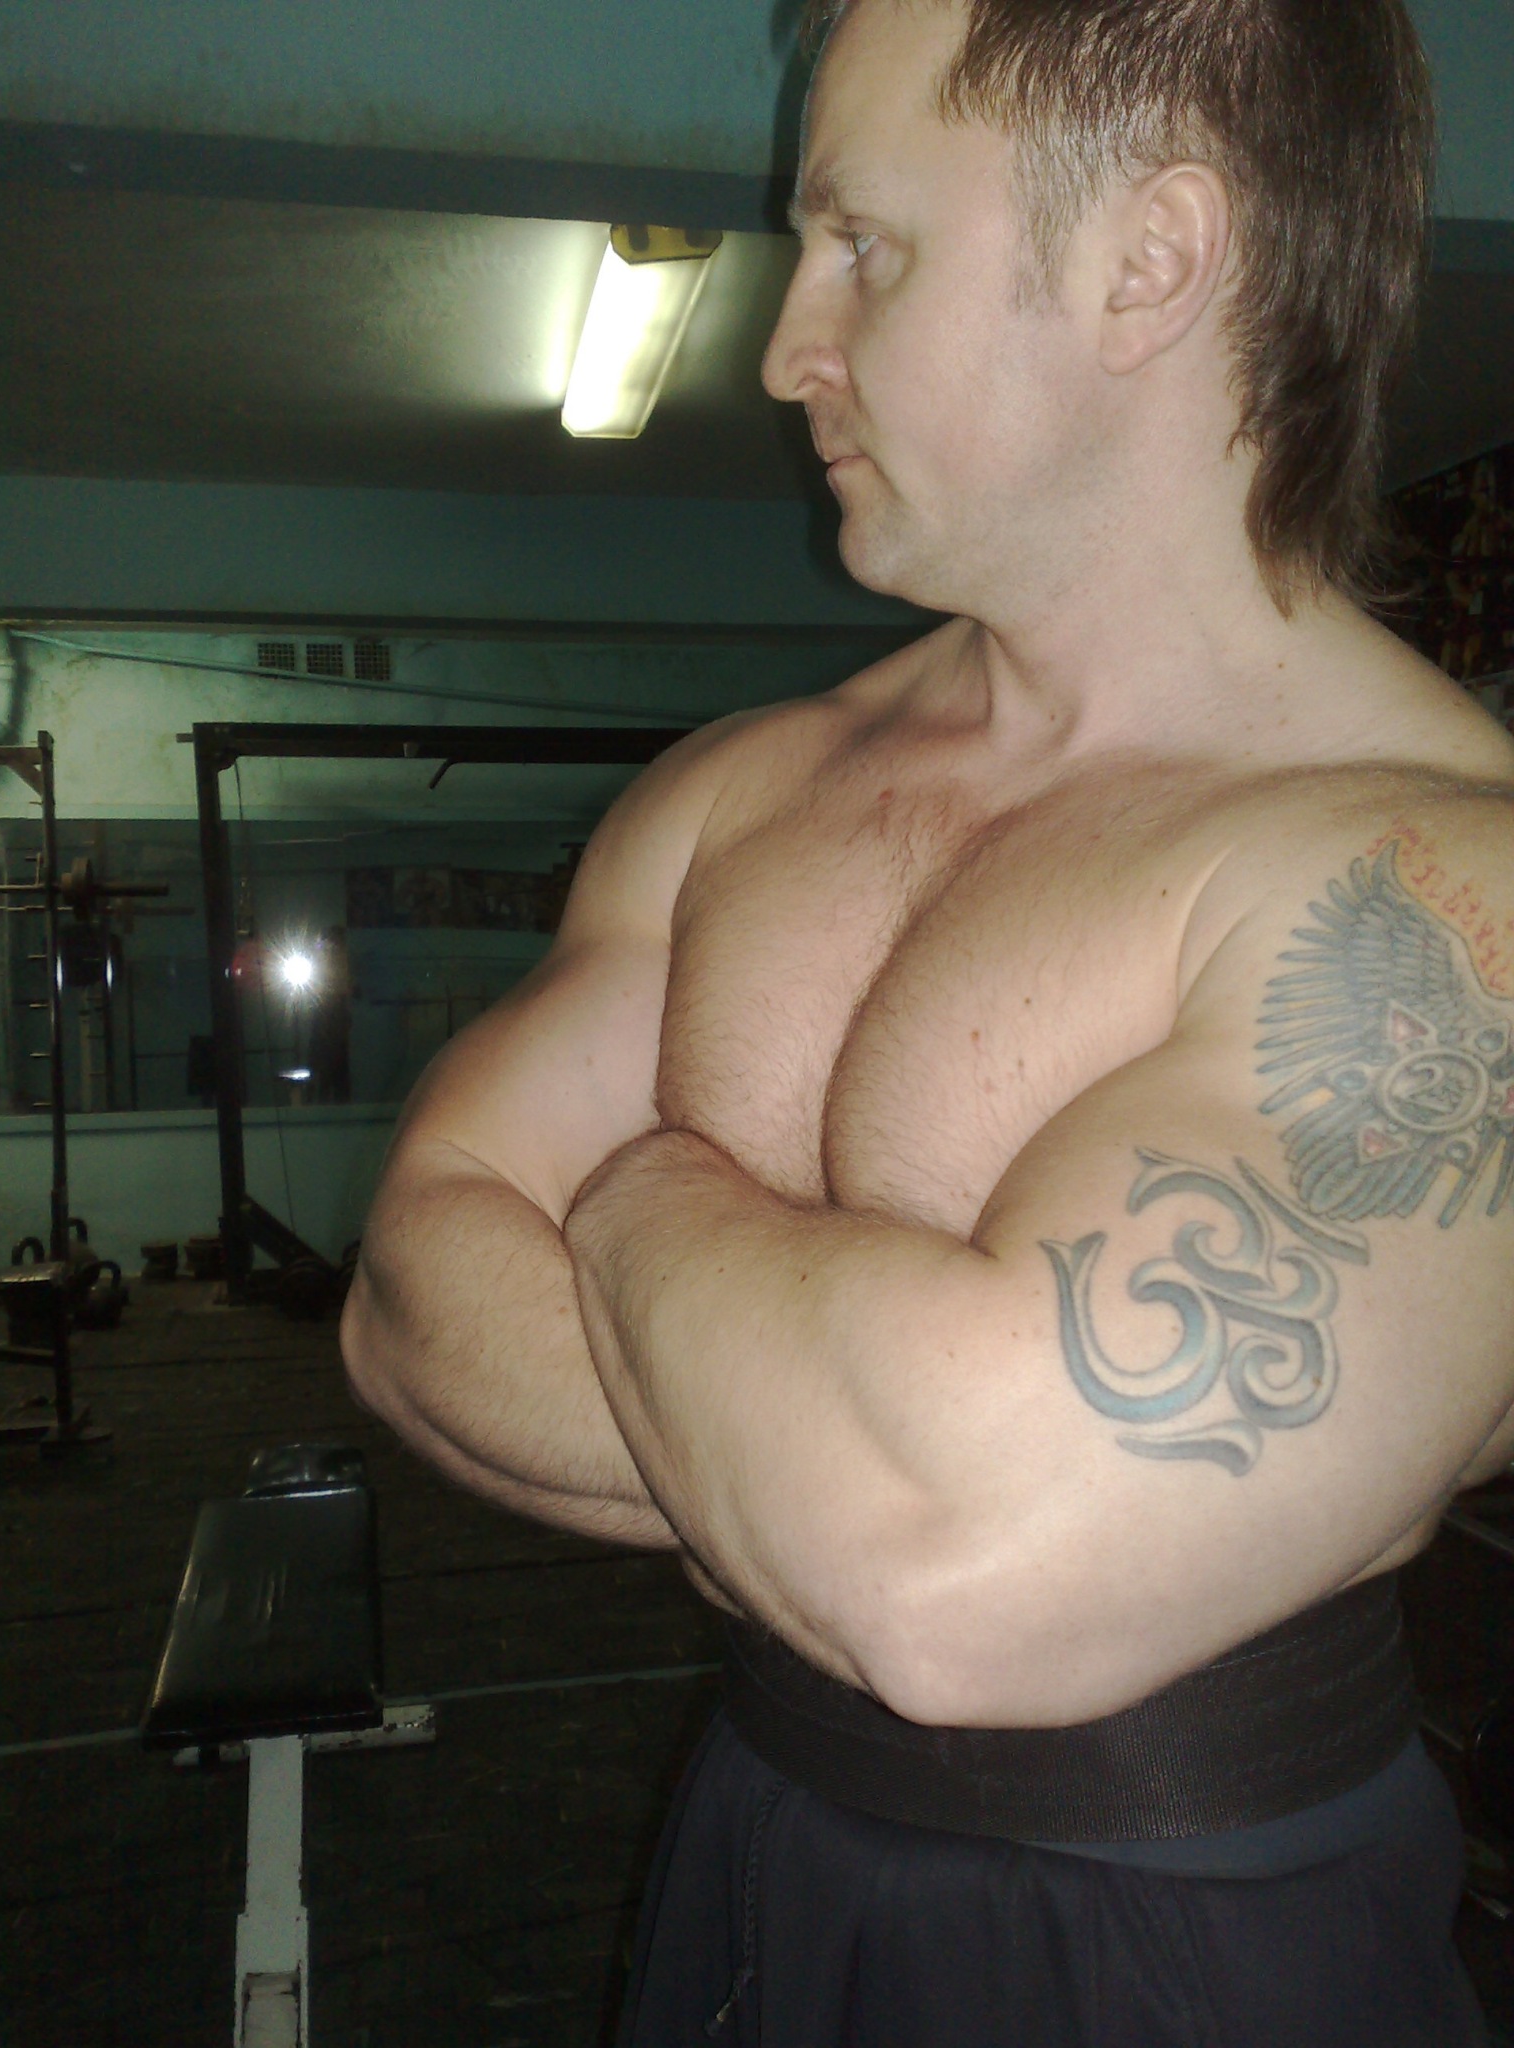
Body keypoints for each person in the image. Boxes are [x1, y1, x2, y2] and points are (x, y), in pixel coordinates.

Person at [341, 0, 1514, 2037]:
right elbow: (407, 1292)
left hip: (1188, 1934)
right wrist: (805, 1441)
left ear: (1149, 260)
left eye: (864, 246)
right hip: (753, 1838)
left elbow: (947, 1569)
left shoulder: (1445, 902)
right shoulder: (749, 791)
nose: (786, 347)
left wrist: (630, 1195)